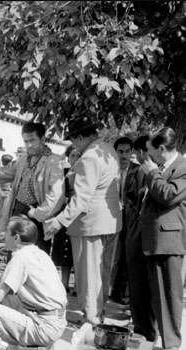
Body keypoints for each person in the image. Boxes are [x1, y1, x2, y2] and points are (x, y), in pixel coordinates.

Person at [44, 118, 121, 325]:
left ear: (80, 137)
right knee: (101, 273)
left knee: (88, 275)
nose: (74, 146)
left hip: (90, 223)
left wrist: (58, 221)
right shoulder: (108, 150)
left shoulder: (90, 157)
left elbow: (81, 198)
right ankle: (97, 314)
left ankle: (92, 321)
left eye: (73, 140)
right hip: (109, 221)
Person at [0, 215, 67, 350]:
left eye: (7, 232)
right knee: (9, 300)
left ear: (16, 238)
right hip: (56, 320)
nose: (4, 236)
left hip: (45, 327)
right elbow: (7, 291)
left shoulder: (20, 257)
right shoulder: (40, 254)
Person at [141, 127, 186, 350]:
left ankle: (172, 342)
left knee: (169, 292)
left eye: (150, 151)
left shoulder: (183, 168)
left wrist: (151, 174)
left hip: (169, 238)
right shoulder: (161, 168)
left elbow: (168, 196)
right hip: (153, 236)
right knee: (154, 291)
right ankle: (151, 334)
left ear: (161, 149)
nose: (147, 157)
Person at [0, 122, 65, 254]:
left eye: (32, 140)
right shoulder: (24, 159)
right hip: (19, 210)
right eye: (25, 141)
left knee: (34, 257)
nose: (28, 145)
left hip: (37, 215)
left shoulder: (53, 161)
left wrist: (38, 214)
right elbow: (5, 172)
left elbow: (57, 195)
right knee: (14, 253)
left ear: (43, 139)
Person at [125, 135, 157, 343]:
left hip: (153, 233)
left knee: (150, 285)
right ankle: (141, 327)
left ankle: (148, 329)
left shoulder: (159, 172)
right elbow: (130, 196)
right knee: (137, 282)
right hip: (137, 227)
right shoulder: (137, 171)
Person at [108, 136, 138, 304]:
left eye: (127, 151)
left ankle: (122, 293)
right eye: (121, 151)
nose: (124, 155)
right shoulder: (110, 169)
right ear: (115, 152)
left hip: (130, 219)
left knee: (127, 255)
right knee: (113, 255)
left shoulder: (138, 170)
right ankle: (109, 290)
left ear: (132, 152)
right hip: (111, 217)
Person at [51, 144, 80, 293]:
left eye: (78, 155)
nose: (75, 159)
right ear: (68, 157)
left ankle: (77, 285)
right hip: (64, 212)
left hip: (79, 213)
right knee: (64, 247)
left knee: (77, 249)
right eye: (73, 155)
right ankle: (64, 282)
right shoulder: (63, 173)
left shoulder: (84, 173)